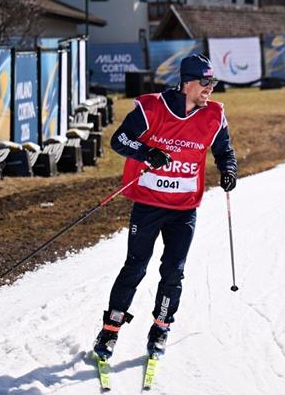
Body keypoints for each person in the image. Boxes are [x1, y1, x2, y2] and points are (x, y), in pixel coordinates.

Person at [92, 54, 237, 359]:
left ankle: (161, 328)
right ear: (186, 83)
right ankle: (110, 329)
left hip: (184, 209)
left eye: (213, 82)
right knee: (135, 267)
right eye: (205, 81)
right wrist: (148, 153)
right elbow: (120, 140)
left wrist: (228, 170)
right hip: (149, 205)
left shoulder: (214, 115)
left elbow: (224, 151)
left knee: (173, 272)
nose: (210, 88)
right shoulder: (153, 107)